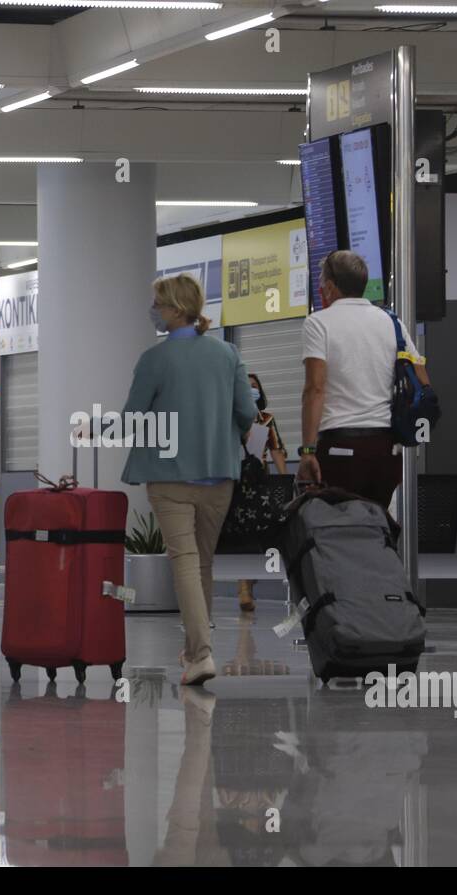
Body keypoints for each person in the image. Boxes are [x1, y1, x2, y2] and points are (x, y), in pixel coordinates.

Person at [122, 274, 258, 687]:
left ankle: (201, 654)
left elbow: (133, 416)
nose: (154, 312)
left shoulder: (154, 359)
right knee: (202, 561)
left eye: (158, 305)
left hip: (169, 476)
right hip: (219, 475)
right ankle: (197, 649)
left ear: (176, 309)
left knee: (183, 560)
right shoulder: (228, 354)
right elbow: (248, 413)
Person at [298, 250, 431, 508]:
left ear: (330, 286)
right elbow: (422, 378)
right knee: (376, 525)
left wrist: (307, 451)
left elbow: (314, 389)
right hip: (385, 449)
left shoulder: (318, 323)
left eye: (322, 281)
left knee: (338, 529)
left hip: (340, 446)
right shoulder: (392, 323)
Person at [236, 372, 288, 613]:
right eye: (247, 387)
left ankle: (248, 581)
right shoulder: (232, 415)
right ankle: (244, 586)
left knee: (260, 531)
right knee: (242, 532)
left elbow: (276, 449)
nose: (251, 390)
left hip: (260, 478)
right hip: (236, 477)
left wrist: (285, 478)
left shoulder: (266, 419)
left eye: (255, 387)